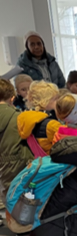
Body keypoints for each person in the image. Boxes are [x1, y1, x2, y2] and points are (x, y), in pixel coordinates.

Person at [0, 79, 33, 227]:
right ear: (12, 97)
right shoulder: (18, 116)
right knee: (16, 193)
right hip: (15, 158)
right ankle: (20, 224)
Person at [17, 80, 61, 154]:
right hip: (54, 160)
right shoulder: (51, 124)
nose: (58, 101)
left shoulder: (26, 119)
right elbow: (67, 141)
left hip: (39, 161)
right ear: (45, 101)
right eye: (55, 99)